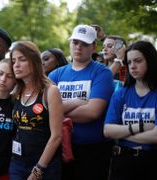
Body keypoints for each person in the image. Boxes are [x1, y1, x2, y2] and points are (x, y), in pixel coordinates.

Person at [49, 24, 114, 180]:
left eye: (84, 44)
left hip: (93, 151)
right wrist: (79, 102)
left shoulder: (102, 72)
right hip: (59, 148)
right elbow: (46, 109)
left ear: (93, 47)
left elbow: (93, 112)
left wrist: (58, 110)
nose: (78, 47)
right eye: (75, 42)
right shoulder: (55, 74)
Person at [9, 41, 63, 180]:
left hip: (45, 165)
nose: (16, 65)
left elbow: (57, 136)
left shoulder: (50, 91)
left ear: (34, 61)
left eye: (22, 59)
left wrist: (38, 169)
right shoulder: (16, 91)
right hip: (17, 163)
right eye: (14, 61)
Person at [104, 41, 157, 180]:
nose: (132, 66)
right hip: (123, 162)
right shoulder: (120, 94)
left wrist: (121, 134)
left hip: (152, 161)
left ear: (150, 61)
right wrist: (140, 126)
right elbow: (108, 130)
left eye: (138, 61)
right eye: (129, 62)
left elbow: (155, 137)